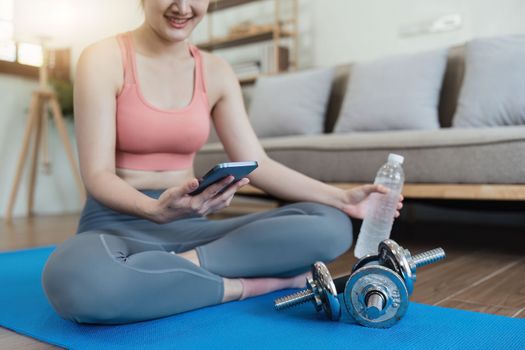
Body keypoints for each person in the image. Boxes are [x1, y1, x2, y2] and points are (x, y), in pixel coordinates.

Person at [42, 0, 403, 325]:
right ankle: (247, 285)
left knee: (330, 225)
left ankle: (169, 274)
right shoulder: (103, 58)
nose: (182, 7)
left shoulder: (216, 71)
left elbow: (256, 161)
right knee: (77, 281)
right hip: (114, 229)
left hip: (193, 231)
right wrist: (154, 210)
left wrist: (342, 199)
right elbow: (97, 175)